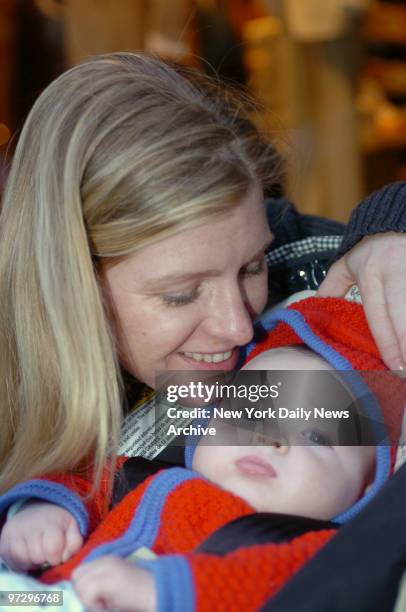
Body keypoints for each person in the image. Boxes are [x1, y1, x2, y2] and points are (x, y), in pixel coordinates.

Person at [0, 51, 406, 565]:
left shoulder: (306, 276)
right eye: (181, 294)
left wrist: (393, 224)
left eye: (251, 267)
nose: (237, 326)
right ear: (71, 283)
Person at [0, 295, 403, 612]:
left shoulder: (316, 551)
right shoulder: (145, 478)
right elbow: (84, 477)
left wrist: (167, 590)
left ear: (367, 487)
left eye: (316, 435)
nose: (269, 439)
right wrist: (45, 510)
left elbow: (285, 585)